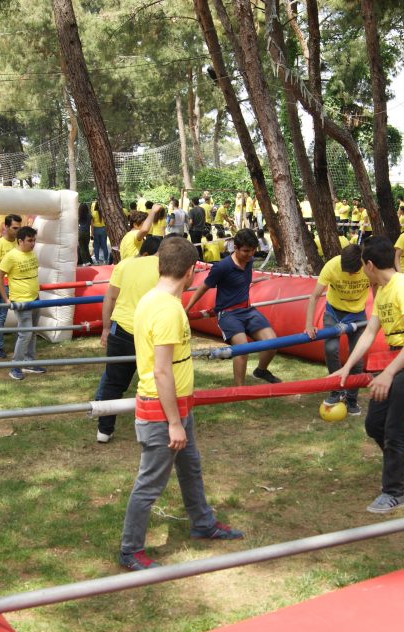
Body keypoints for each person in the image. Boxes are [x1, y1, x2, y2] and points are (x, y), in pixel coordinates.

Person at [118, 236, 243, 571]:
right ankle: (130, 549)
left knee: (191, 467)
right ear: (190, 272)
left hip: (177, 406)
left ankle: (202, 523)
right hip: (163, 412)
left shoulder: (153, 300)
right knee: (149, 484)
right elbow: (161, 371)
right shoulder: (168, 309)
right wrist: (173, 422)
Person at [330, 236, 404, 514]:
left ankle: (394, 493)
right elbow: (369, 333)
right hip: (398, 362)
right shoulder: (383, 291)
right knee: (375, 424)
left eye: (362, 266)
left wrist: (388, 373)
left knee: (394, 430)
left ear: (369, 265)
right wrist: (347, 365)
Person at [185, 229, 281, 386]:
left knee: (273, 342)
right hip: (228, 314)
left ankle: (261, 371)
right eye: (246, 251)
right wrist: (187, 309)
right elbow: (203, 287)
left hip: (248, 310)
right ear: (235, 248)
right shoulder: (222, 267)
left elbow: (241, 280)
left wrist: (256, 280)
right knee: (243, 348)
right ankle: (239, 390)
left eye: (253, 250)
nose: (250, 254)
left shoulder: (249, 261)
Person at [94, 234, 162, 444]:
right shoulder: (164, 266)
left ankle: (104, 430)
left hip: (121, 328)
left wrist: (106, 328)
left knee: (113, 382)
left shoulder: (124, 265)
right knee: (156, 380)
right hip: (150, 331)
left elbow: (110, 297)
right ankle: (156, 426)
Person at [305, 244, 369, 415]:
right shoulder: (332, 265)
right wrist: (309, 325)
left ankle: (351, 398)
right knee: (331, 348)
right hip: (334, 312)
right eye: (347, 271)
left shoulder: (368, 267)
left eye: (353, 272)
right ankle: (336, 390)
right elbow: (314, 296)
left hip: (357, 314)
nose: (350, 275)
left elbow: (379, 291)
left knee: (357, 358)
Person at [0, 226, 46, 380]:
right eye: (30, 240)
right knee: (25, 334)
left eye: (34, 240)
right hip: (21, 301)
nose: (33, 243)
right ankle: (15, 367)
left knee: (33, 332)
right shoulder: (11, 256)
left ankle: (29, 362)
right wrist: (6, 299)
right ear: (20, 241)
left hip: (35, 299)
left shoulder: (32, 253)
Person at [0, 214, 22, 358]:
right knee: (2, 315)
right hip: (4, 286)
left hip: (19, 285)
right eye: (15, 228)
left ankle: (20, 345)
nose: (17, 230)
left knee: (22, 315)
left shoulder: (20, 242)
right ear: (6, 226)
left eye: (19, 228)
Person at [90, 200, 109, 264]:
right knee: (104, 245)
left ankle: (97, 260)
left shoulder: (93, 213)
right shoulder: (104, 212)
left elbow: (92, 224)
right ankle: (106, 260)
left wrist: (92, 233)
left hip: (96, 229)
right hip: (103, 229)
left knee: (96, 246)